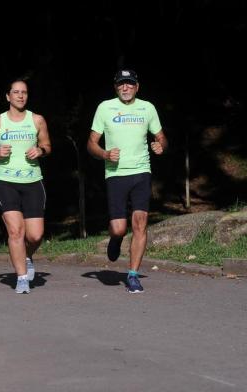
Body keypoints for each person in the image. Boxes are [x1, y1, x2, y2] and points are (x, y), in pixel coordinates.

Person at [87, 69, 168, 294]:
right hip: (115, 174)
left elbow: (161, 137)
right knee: (119, 228)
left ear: (137, 87)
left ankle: (132, 275)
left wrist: (161, 145)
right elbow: (91, 143)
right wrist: (104, 154)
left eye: (130, 84)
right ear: (116, 87)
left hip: (142, 172)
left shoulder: (147, 108)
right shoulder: (105, 108)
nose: (125, 88)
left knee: (140, 222)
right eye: (121, 84)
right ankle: (115, 239)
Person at [0, 77, 51, 294]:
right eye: (16, 92)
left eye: (24, 92)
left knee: (35, 236)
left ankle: (27, 255)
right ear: (8, 96)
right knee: (15, 231)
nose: (21, 96)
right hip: (5, 182)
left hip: (32, 181)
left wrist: (41, 151)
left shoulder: (37, 120)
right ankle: (21, 278)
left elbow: (47, 145)